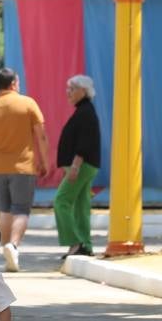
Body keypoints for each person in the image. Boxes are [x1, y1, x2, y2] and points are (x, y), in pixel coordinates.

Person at [0, 68, 48, 273]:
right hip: (23, 167)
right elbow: (41, 136)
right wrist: (45, 161)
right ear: (15, 84)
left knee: (5, 210)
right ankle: (13, 246)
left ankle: (7, 250)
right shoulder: (28, 104)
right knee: (22, 209)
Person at [54, 75, 102, 263]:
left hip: (82, 166)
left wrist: (74, 166)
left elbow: (84, 143)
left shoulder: (85, 112)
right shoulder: (84, 110)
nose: (68, 92)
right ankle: (85, 244)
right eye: (68, 88)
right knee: (81, 207)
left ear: (83, 91)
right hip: (84, 165)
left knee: (61, 201)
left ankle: (75, 242)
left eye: (72, 88)